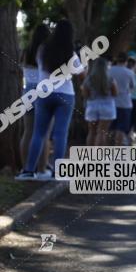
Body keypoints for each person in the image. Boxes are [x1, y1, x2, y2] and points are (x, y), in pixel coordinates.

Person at [16, 20, 82, 181]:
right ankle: (57, 172)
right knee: (60, 134)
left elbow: (39, 69)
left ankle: (28, 171)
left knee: (37, 133)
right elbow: (80, 72)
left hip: (43, 93)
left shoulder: (41, 50)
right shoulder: (70, 53)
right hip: (65, 94)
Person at [19, 24, 51, 172]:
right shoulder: (46, 51)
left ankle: (26, 166)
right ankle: (41, 168)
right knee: (44, 133)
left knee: (28, 131)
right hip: (43, 91)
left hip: (27, 92)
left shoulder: (26, 51)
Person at [81, 56, 118, 146]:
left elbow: (85, 95)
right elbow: (115, 93)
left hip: (92, 105)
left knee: (92, 132)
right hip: (107, 106)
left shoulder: (89, 79)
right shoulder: (110, 79)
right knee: (102, 132)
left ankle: (89, 155)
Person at [108, 53, 135, 145]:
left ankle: (107, 150)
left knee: (110, 128)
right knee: (121, 129)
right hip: (125, 103)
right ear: (126, 61)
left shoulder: (109, 70)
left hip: (110, 101)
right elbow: (132, 87)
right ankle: (117, 151)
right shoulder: (129, 72)